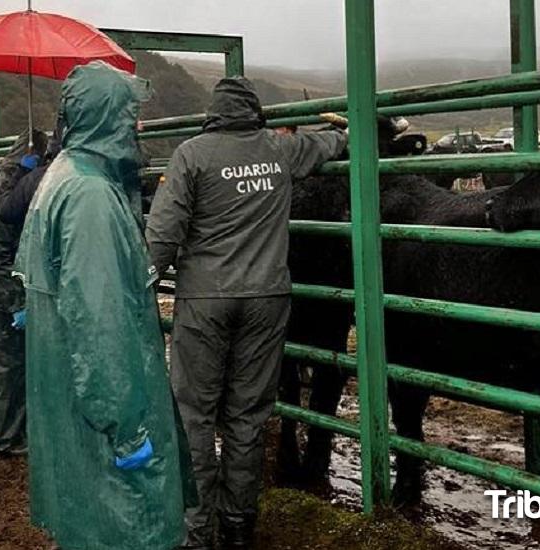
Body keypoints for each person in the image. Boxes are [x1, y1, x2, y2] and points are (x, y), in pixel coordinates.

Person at [145, 77, 348, 549]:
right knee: (248, 415)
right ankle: (239, 525)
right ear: (254, 112)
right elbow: (328, 144)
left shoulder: (191, 155)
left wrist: (141, 286)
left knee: (194, 413)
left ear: (212, 114)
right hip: (267, 301)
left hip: (205, 301)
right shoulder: (279, 151)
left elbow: (162, 236)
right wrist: (347, 132)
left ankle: (197, 529)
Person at [14, 61, 194, 550]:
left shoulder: (63, 176)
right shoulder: (91, 196)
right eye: (129, 112)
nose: (136, 125)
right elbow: (99, 324)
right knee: (131, 521)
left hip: (71, 405)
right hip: (106, 413)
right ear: (105, 116)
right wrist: (127, 428)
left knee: (88, 523)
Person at [0, 128, 48, 456]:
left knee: (1, 363)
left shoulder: (2, 183)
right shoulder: (2, 188)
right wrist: (16, 300)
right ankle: (8, 438)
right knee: (9, 365)